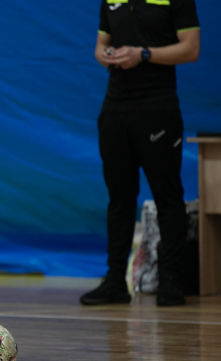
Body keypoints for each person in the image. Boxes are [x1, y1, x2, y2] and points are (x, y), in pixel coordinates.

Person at [80, 0, 200, 307]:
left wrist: (144, 54)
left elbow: (191, 49)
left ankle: (171, 280)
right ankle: (115, 281)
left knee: (167, 196)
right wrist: (107, 56)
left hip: (158, 107)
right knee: (119, 198)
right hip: (115, 108)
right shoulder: (110, 1)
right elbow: (99, 47)